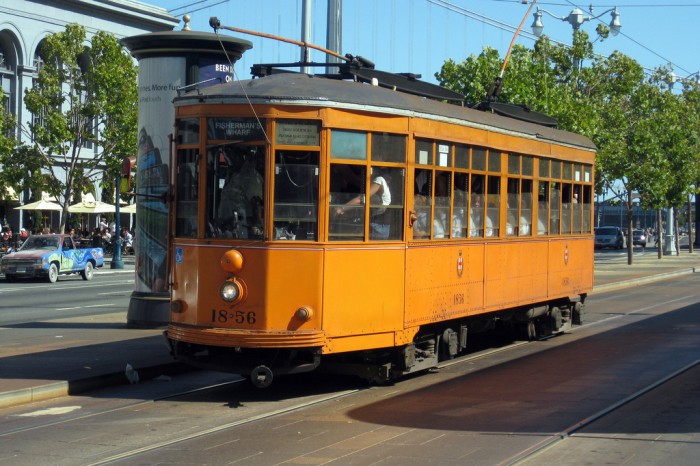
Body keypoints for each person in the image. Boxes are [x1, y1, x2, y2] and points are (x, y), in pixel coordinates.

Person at [335, 170, 391, 239]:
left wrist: (341, 209)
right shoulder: (385, 184)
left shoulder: (379, 180)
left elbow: (361, 199)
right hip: (383, 227)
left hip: (376, 227)